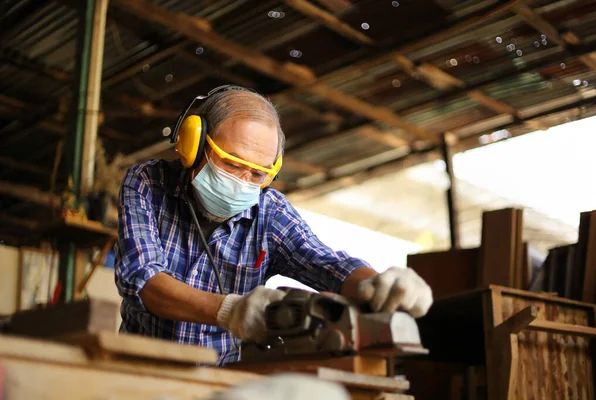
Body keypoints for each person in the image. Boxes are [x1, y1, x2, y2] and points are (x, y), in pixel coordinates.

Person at [114, 85, 433, 365]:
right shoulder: (148, 183)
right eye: (231, 162)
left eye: (257, 174)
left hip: (218, 385)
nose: (242, 181)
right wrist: (231, 310)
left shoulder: (270, 212)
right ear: (193, 145)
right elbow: (144, 282)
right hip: (135, 373)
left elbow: (323, 262)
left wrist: (376, 285)